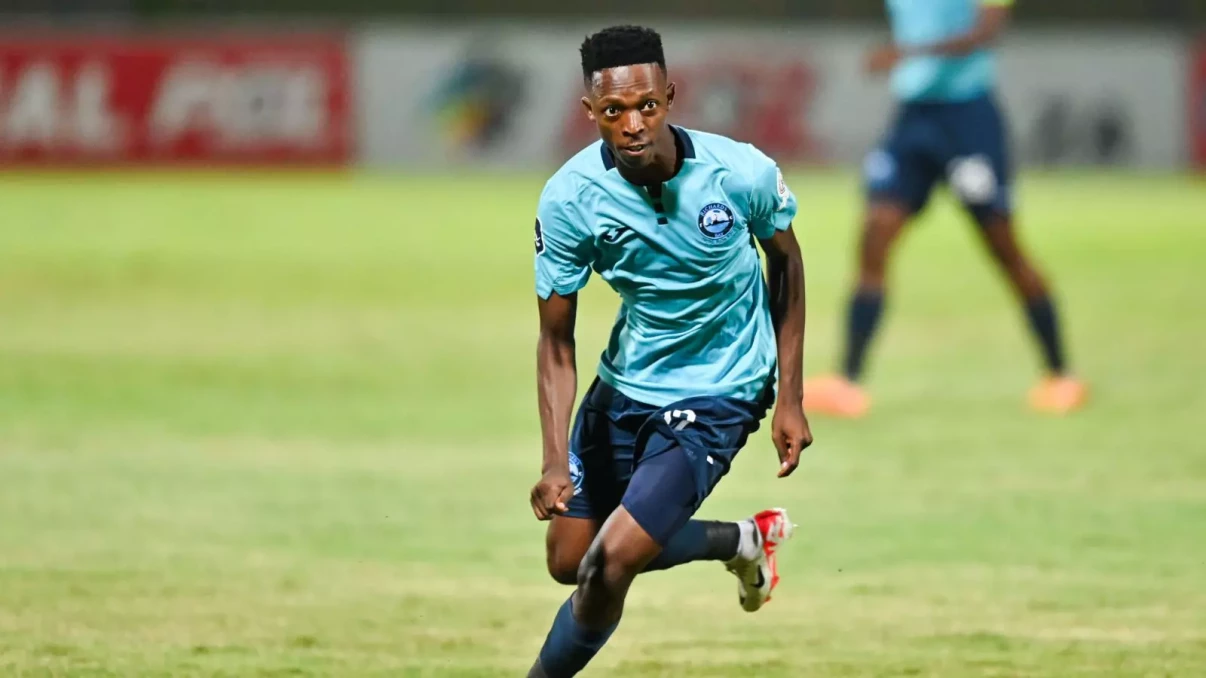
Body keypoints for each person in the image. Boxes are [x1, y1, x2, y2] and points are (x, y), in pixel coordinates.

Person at [527, 25, 813, 678]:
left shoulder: (739, 173)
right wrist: (552, 459)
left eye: (647, 106)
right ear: (589, 111)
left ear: (670, 97)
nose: (633, 125)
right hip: (624, 387)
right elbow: (556, 341)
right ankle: (743, 540)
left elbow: (788, 267)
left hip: (721, 393)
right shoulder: (570, 200)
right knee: (570, 562)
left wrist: (790, 397)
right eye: (614, 111)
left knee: (608, 564)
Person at [804, 0, 1088, 418]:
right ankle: (848, 381)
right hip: (913, 118)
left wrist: (908, 53)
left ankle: (1060, 374)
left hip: (967, 118)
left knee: (1003, 246)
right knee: (875, 234)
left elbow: (987, 31)